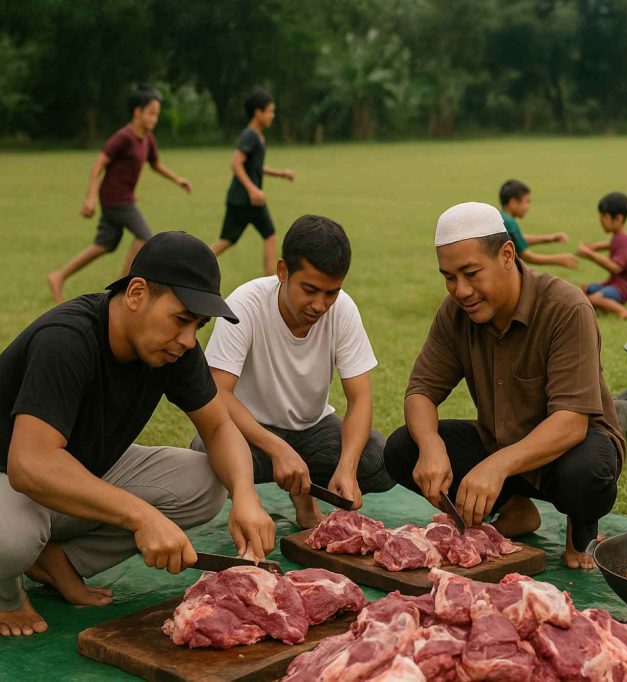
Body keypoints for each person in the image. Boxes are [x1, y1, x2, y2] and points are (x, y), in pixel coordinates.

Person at [1, 231, 276, 638]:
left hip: (75, 476)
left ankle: (59, 561)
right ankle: (6, 591)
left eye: (198, 325)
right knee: (11, 540)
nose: (188, 339)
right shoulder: (66, 340)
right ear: (136, 293)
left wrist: (246, 495)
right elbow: (29, 464)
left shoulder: (175, 348)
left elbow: (219, 425)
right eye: (181, 319)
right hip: (11, 478)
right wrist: (141, 516)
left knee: (205, 485)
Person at [383, 202, 625, 570]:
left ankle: (581, 531)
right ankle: (517, 509)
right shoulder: (455, 313)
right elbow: (421, 391)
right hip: (501, 442)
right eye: (449, 277)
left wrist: (495, 467)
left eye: (471, 273)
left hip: (570, 448)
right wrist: (431, 447)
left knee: (585, 473)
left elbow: (572, 421)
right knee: (402, 448)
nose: (461, 290)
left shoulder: (566, 307)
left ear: (507, 255)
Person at [192, 215, 394, 529]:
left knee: (380, 458)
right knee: (205, 459)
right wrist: (277, 448)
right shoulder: (245, 305)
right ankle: (252, 503)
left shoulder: (342, 309)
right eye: (310, 289)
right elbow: (218, 391)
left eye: (331, 293)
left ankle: (305, 495)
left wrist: (347, 468)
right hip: (251, 434)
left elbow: (360, 397)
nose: (319, 304)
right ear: (283, 271)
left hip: (313, 431)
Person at [48, 85, 192, 303]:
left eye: (157, 114)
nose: (155, 119)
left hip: (122, 198)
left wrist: (177, 179)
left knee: (104, 244)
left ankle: (59, 276)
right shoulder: (124, 137)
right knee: (145, 236)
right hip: (116, 198)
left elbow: (155, 165)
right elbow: (99, 164)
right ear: (137, 112)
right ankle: (123, 288)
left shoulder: (147, 139)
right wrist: (90, 197)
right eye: (151, 113)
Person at [210, 88, 295, 275]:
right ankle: (271, 281)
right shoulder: (250, 135)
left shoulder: (257, 136)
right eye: (270, 111)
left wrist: (281, 173)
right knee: (270, 234)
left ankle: (195, 261)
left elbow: (254, 167)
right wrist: (252, 190)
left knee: (228, 240)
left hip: (240, 199)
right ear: (258, 112)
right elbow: (236, 163)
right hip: (247, 199)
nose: (273, 115)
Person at [577, 192, 627, 320]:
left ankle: (622, 311)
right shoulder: (619, 237)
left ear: (618, 219)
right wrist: (593, 247)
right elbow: (609, 244)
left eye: (604, 218)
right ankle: (604, 306)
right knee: (586, 289)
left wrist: (590, 254)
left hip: (623, 287)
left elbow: (616, 267)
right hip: (613, 284)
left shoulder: (623, 239)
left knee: (594, 298)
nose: (601, 221)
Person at [498, 179, 579, 269]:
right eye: (527, 201)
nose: (528, 206)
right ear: (513, 202)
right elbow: (525, 255)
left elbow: (518, 240)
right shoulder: (510, 223)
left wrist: (549, 238)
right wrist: (559, 259)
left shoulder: (501, 217)